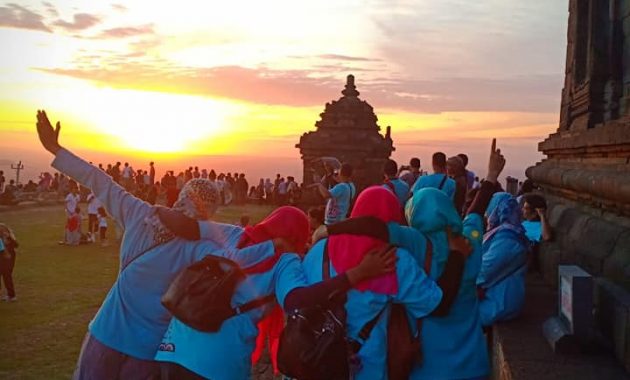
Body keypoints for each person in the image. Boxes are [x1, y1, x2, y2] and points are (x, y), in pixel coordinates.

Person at [36, 110, 282, 380]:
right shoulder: (174, 232)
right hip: (128, 339)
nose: (184, 207)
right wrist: (274, 246)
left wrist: (56, 149)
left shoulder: (176, 234)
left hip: (125, 339)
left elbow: (100, 182)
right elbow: (100, 181)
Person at [154, 206, 396, 380]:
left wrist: (151, 208)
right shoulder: (285, 262)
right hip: (217, 363)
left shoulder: (237, 235)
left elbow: (184, 225)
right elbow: (296, 300)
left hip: (171, 347)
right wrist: (356, 274)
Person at [477, 192, 530, 327]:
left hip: (500, 302)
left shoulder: (507, 239)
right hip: (497, 296)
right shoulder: (508, 232)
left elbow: (484, 271)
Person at [0, 223, 18, 302]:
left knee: (7, 275)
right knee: (5, 275)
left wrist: (9, 237)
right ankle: (10, 295)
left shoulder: (4, 231)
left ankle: (12, 295)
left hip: (7, 256)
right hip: (5, 255)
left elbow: (16, 245)